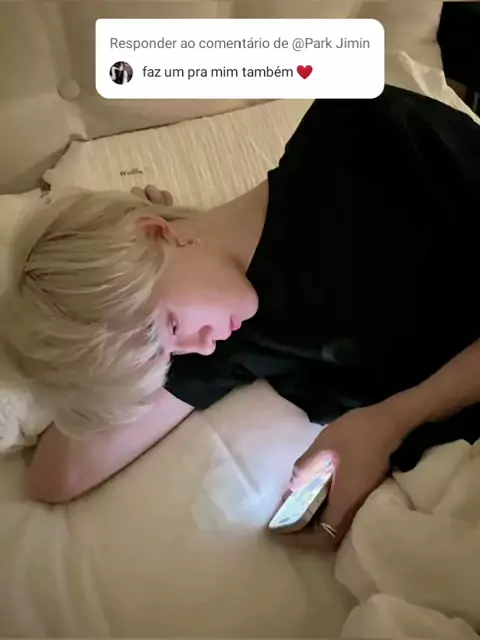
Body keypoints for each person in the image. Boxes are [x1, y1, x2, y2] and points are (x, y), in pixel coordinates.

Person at [2, 85, 480, 552]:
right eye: (169, 355)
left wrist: (392, 422)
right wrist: (74, 357)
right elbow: (54, 477)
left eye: (170, 328)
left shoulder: (357, 129)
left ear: (154, 232)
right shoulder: (231, 337)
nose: (199, 347)